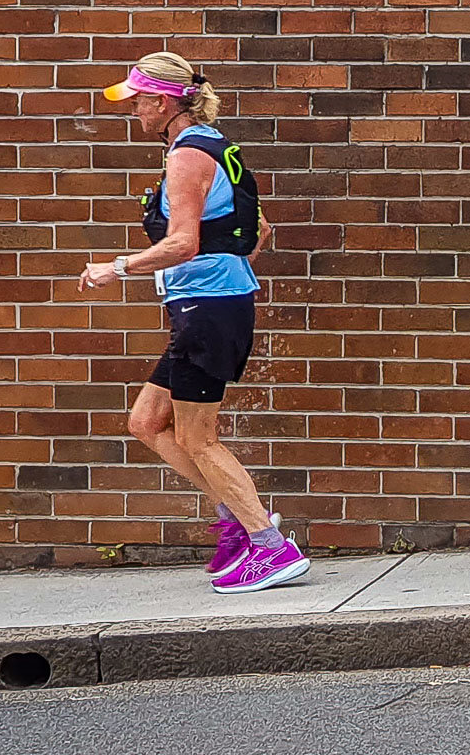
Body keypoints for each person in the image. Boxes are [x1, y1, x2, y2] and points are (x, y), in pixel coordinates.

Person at [78, 51, 309, 594]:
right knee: (146, 422)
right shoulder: (214, 145)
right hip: (211, 306)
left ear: (162, 102)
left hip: (207, 311)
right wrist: (226, 276)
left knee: (197, 437)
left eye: (138, 101)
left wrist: (117, 267)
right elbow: (259, 230)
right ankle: (238, 518)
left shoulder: (187, 156)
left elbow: (182, 243)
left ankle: (270, 546)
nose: (133, 110)